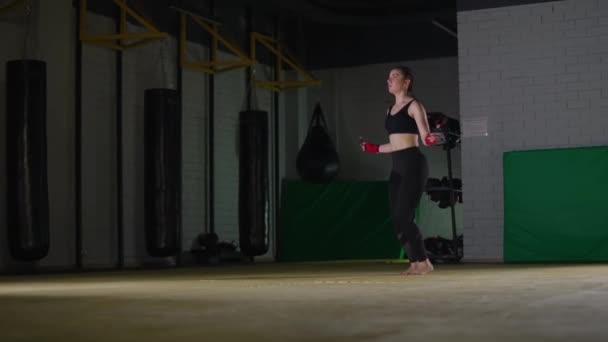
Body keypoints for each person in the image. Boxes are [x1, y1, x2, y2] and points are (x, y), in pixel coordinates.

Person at [360, 66, 443, 275]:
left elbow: (425, 137)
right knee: (397, 218)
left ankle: (425, 262)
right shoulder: (389, 110)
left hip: (413, 163)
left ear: (406, 82)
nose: (389, 80)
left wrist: (433, 139)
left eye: (395, 76)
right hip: (397, 166)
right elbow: (395, 144)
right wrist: (376, 148)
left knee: (405, 215)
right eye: (388, 77)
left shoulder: (415, 106)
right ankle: (415, 262)